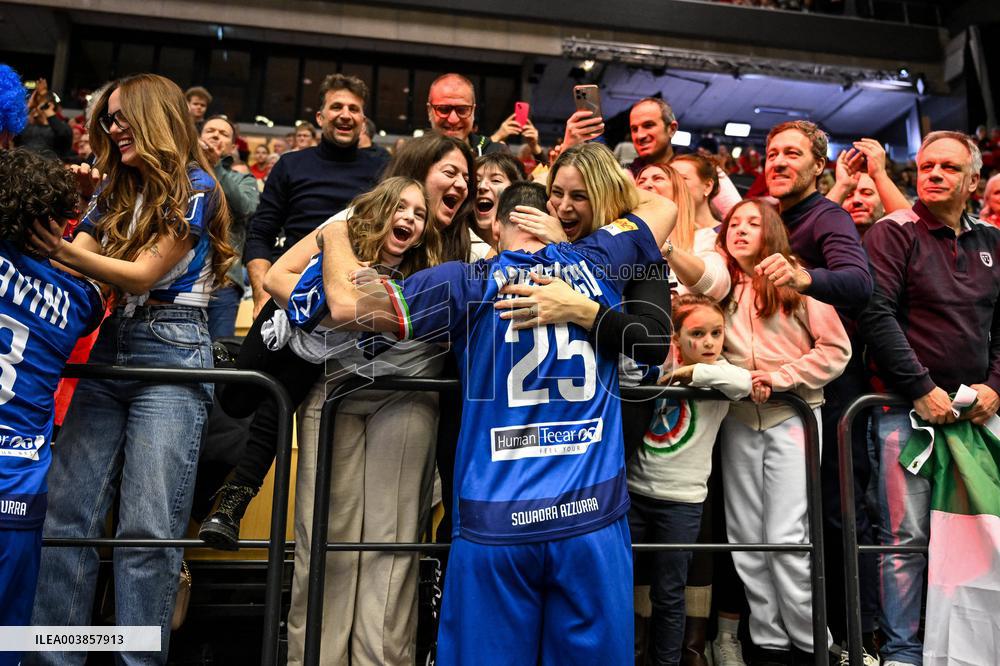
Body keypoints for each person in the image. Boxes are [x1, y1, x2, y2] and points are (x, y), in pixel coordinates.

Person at [317, 177, 677, 665]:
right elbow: (663, 207)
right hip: (591, 518)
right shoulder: (599, 261)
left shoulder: (464, 281)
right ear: (546, 217)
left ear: (496, 226)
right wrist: (568, 238)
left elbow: (343, 304)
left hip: (497, 521)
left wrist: (335, 232)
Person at [25, 73, 233, 665]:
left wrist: (61, 246)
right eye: (108, 120)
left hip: (174, 350)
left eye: (123, 118)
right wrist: (62, 229)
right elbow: (84, 260)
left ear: (156, 117)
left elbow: (140, 273)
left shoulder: (198, 185)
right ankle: (53, 658)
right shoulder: (116, 186)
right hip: (113, 344)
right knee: (67, 520)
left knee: (147, 532)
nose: (114, 129)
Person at [263, 177, 445, 665]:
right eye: (400, 208)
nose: (408, 219)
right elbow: (276, 278)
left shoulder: (429, 267)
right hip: (331, 385)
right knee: (323, 532)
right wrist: (326, 306)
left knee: (391, 543)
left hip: (404, 394)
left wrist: (345, 310)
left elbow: (356, 311)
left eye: (419, 214)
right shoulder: (339, 231)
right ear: (377, 209)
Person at [858, 131, 1000, 666]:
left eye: (947, 167)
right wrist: (919, 389)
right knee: (906, 539)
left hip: (976, 412)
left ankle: (964, 650)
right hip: (903, 411)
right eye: (926, 165)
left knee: (975, 533)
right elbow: (877, 317)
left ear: (971, 181)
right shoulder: (892, 232)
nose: (934, 174)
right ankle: (901, 654)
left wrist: (996, 387)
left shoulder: (992, 240)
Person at [717, 199, 849, 666]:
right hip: (736, 421)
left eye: (753, 223)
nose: (741, 230)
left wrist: (782, 377)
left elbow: (836, 350)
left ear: (772, 232)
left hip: (792, 416)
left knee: (788, 536)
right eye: (734, 223)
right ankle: (770, 643)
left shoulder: (798, 279)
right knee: (746, 537)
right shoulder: (720, 284)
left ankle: (815, 642)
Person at [0, 148, 104, 666]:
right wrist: (82, 210)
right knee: (8, 639)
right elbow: (91, 291)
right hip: (17, 484)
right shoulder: (79, 298)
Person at [631, 294, 752, 666]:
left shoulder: (720, 375)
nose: (709, 342)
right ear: (676, 336)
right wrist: (673, 368)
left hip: (683, 502)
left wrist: (693, 373)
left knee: (670, 592)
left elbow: (744, 382)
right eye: (697, 333)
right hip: (633, 494)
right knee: (620, 586)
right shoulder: (655, 366)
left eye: (716, 333)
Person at [243, 73, 388, 318]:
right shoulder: (290, 165)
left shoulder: (384, 167)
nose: (345, 114)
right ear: (320, 117)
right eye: (336, 107)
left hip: (360, 296)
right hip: (293, 289)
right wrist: (262, 295)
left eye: (354, 109)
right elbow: (260, 234)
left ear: (363, 121)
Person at [200, 115, 260, 338]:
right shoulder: (181, 174)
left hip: (223, 280)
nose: (216, 135)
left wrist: (215, 167)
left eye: (223, 134)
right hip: (179, 279)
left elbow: (244, 207)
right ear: (199, 137)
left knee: (218, 352)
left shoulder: (244, 180)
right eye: (210, 131)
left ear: (233, 147)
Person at [636, 162, 730, 300]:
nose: (647, 184)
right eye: (641, 181)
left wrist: (667, 248)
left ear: (678, 190)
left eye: (658, 178)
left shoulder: (704, 237)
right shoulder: (622, 237)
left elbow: (716, 289)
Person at [426, 73, 505, 156]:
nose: (453, 120)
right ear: (429, 111)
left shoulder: (496, 155)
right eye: (444, 109)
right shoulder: (413, 156)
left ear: (473, 111)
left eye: (462, 110)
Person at [472, 151, 526, 258]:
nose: (482, 186)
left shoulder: (529, 247)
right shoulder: (456, 244)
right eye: (476, 180)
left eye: (495, 180)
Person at [14, 78, 72, 160]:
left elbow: (63, 134)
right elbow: (12, 127)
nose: (35, 107)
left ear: (50, 105)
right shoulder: (27, 126)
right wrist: (29, 105)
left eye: (39, 102)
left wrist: (44, 98)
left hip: (49, 169)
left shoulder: (61, 127)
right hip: (23, 167)